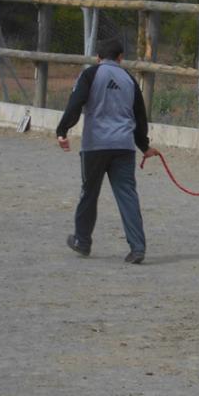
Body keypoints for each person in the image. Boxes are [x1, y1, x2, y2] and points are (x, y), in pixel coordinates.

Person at [56, 38, 160, 263]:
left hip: (95, 145)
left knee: (89, 193)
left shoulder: (90, 74)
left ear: (98, 58)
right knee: (128, 196)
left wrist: (62, 130)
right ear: (121, 58)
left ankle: (82, 241)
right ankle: (138, 248)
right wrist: (144, 146)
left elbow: (76, 103)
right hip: (124, 146)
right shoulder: (130, 80)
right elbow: (140, 117)